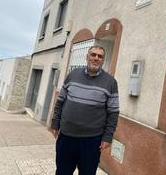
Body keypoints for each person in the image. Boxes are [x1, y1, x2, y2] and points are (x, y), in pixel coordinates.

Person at [49, 45, 120, 175]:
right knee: (62, 172)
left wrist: (108, 137)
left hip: (92, 141)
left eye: (100, 56)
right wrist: (55, 122)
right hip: (66, 137)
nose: (96, 58)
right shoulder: (73, 75)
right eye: (93, 55)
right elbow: (60, 102)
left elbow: (113, 113)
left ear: (103, 60)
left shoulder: (110, 82)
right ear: (87, 57)